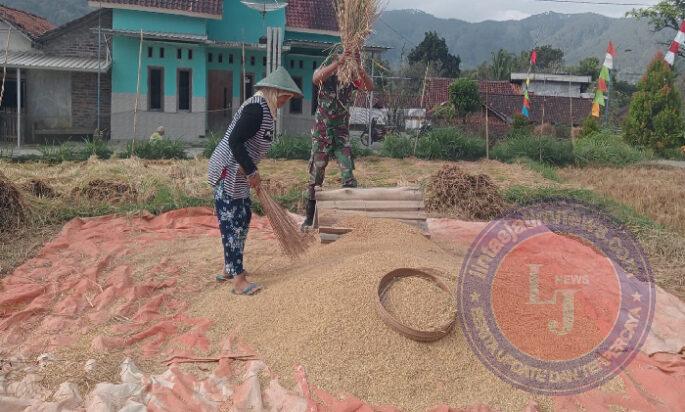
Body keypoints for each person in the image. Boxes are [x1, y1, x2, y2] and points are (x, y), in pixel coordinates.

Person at [207, 67, 302, 296]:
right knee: (233, 222)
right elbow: (235, 141)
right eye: (284, 97)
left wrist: (249, 170)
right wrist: (251, 171)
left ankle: (231, 268)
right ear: (274, 92)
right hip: (228, 171)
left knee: (243, 217)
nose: (284, 102)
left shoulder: (265, 109)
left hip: (240, 172)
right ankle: (239, 280)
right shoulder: (255, 109)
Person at [301, 49, 375, 229]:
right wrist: (338, 63)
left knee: (348, 173)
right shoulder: (327, 76)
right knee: (316, 175)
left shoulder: (352, 80)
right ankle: (310, 218)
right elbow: (315, 78)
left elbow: (369, 87)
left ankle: (350, 218)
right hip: (322, 134)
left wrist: (359, 67)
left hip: (341, 134)